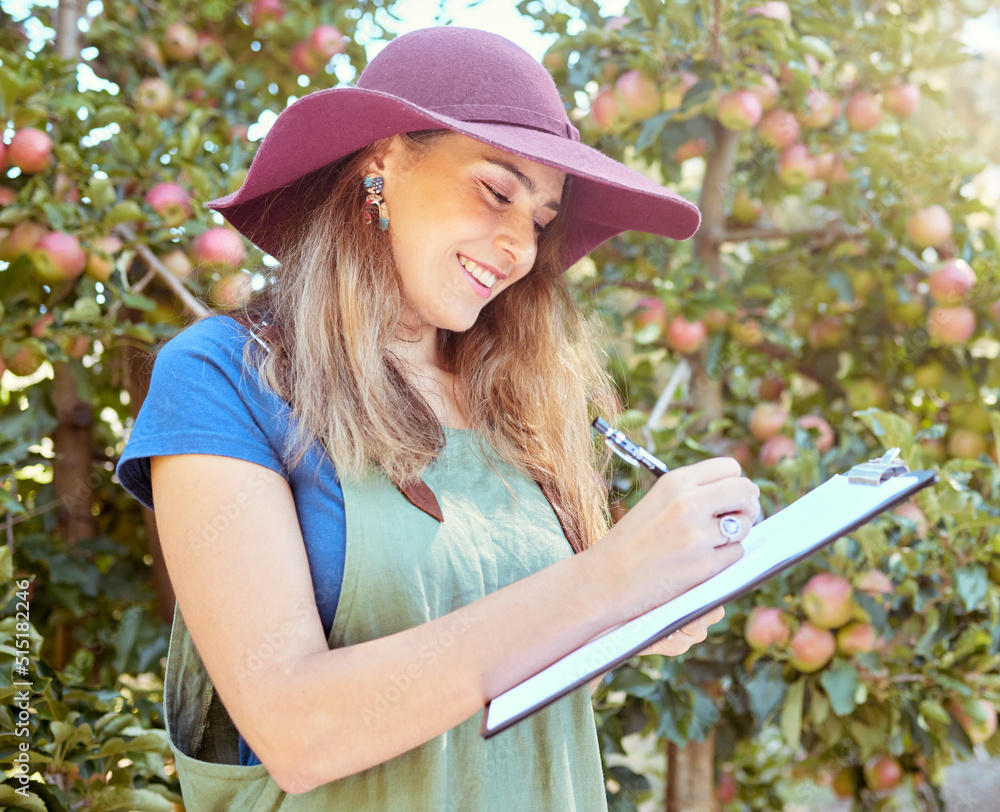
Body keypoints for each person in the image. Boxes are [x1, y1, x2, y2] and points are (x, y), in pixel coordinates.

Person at [117, 25, 760, 811]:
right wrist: (604, 582)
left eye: (542, 220)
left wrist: (642, 606)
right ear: (381, 163)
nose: (520, 245)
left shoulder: (516, 402)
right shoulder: (226, 375)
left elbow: (504, 658)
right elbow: (297, 730)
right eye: (496, 191)